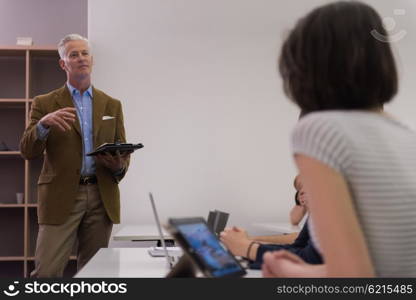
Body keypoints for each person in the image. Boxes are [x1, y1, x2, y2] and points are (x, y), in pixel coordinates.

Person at [263, 1, 416, 277]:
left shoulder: (318, 130)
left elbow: (354, 279)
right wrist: (314, 271)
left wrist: (286, 271)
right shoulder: (405, 133)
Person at [20, 34, 130, 277]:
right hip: (60, 196)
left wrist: (118, 166)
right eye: (73, 54)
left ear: (92, 59)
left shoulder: (112, 105)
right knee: (46, 273)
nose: (81, 58)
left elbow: (122, 148)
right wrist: (43, 126)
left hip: (102, 196)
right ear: (63, 64)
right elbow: (27, 150)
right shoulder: (44, 103)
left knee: (95, 275)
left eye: (85, 53)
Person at [220, 175, 321, 268]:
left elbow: (310, 258)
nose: (301, 192)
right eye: (299, 189)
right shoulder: (316, 211)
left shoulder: (328, 208)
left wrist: (248, 247)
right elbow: (298, 244)